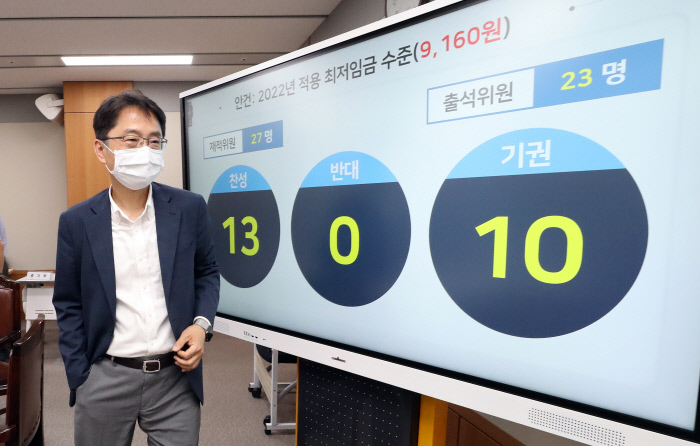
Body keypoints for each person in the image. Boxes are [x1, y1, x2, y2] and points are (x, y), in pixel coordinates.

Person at [52, 90, 220, 446]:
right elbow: (68, 302)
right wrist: (80, 374)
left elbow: (206, 271)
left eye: (154, 141)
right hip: (104, 376)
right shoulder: (77, 222)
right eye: (132, 140)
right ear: (102, 149)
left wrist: (201, 325)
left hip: (176, 376)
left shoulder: (189, 208)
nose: (145, 149)